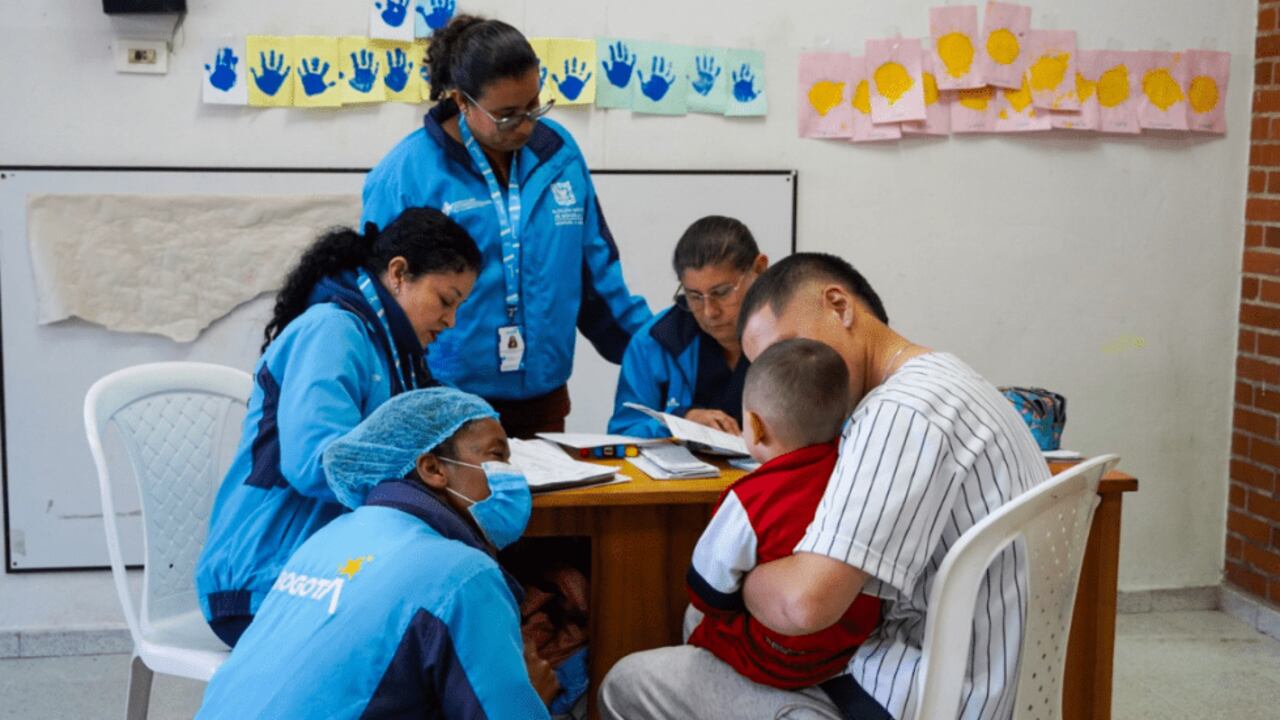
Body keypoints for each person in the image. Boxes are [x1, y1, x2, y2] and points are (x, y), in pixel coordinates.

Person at [600, 253, 1049, 720]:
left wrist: (745, 582)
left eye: (785, 351)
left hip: (914, 694)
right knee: (702, 621)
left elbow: (802, 605)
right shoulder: (949, 379)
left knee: (626, 682)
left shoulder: (900, 413)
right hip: (978, 674)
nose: (789, 376)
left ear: (838, 304)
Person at [195, 208, 482, 648]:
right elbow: (318, 463)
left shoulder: (394, 349)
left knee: (474, 603)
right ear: (399, 274)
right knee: (442, 634)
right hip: (265, 577)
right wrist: (428, 481)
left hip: (331, 565)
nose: (451, 322)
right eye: (446, 301)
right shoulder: (332, 330)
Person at [362, 14, 651, 438]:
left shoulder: (559, 155)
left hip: (544, 402)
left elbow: (598, 278)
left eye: (534, 105)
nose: (527, 124)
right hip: (442, 405)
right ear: (462, 102)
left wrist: (665, 350)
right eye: (506, 115)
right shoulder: (406, 174)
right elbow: (379, 303)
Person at [195, 388, 557, 719]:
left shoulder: (331, 537)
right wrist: (532, 697)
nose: (513, 475)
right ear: (432, 468)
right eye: (498, 456)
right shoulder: (463, 574)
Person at [685, 338, 881, 690]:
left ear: (756, 427)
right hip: (845, 649)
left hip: (774, 659)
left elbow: (706, 591)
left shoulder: (748, 497)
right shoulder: (855, 476)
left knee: (699, 620)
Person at [608, 216, 768, 438]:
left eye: (721, 292)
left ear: (759, 269)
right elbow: (623, 431)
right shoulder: (655, 341)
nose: (709, 311)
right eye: (694, 296)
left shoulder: (794, 335)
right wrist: (680, 421)